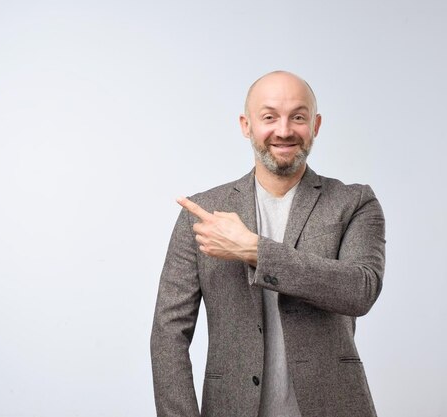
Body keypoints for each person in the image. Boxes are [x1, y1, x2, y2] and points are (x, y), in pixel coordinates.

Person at [150, 71, 385, 417]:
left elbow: (359, 289)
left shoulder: (354, 202)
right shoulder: (202, 215)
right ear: (247, 125)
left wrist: (253, 250)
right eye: (269, 117)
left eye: (298, 117)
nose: (285, 130)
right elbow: (168, 335)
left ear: (316, 125)